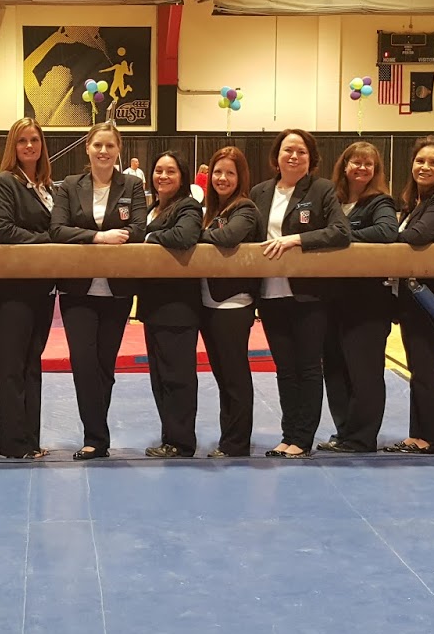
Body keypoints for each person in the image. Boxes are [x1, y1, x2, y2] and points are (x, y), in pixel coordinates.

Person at [249, 128, 350, 458]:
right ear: (277, 156)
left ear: (311, 158)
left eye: (301, 152)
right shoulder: (260, 192)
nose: (293, 156)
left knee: (307, 367)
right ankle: (288, 433)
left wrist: (296, 240)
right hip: (270, 292)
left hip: (308, 294)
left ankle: (302, 439)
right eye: (288, 150)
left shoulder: (321, 189)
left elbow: (340, 232)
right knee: (285, 369)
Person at [50, 121, 146, 460]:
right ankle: (95, 437)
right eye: (97, 145)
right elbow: (57, 229)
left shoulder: (132, 185)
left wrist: (117, 235)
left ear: (119, 150)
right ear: (87, 149)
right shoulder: (70, 185)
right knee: (83, 363)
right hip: (78, 290)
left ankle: (97, 434)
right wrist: (98, 237)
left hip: (117, 290)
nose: (103, 151)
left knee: (105, 365)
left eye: (110, 145)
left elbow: (139, 228)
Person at [319, 142, 400, 454]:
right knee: (335, 369)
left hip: (368, 302)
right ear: (345, 165)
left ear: (376, 170)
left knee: (364, 372)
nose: (362, 168)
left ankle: (362, 437)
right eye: (356, 162)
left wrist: (339, 237)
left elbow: (387, 232)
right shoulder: (334, 199)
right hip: (332, 298)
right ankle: (344, 431)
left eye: (369, 164)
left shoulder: (379, 201)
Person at [383, 136, 434, 455]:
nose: (425, 167)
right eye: (420, 161)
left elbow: (417, 236)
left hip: (432, 298)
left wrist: (388, 236)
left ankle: (430, 436)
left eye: (433, 162)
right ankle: (418, 434)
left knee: (426, 366)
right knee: (418, 366)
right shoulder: (414, 201)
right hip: (412, 298)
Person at [0, 118, 56, 459]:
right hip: (13, 290)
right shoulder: (4, 183)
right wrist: (51, 242)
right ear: (12, 147)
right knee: (13, 366)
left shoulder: (48, 188)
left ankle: (31, 439)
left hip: (43, 288)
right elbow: (4, 230)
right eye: (22, 141)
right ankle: (14, 443)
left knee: (32, 363)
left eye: (34, 140)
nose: (29, 146)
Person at [138, 150, 204, 458]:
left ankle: (181, 441)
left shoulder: (188, 206)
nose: (163, 176)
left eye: (170, 171)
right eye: (158, 170)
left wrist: (148, 238)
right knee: (160, 377)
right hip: (153, 303)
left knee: (178, 376)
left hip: (178, 305)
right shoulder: (152, 208)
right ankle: (170, 436)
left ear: (182, 177)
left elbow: (185, 235)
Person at [198, 147, 262, 457]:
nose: (222, 178)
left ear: (241, 177)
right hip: (210, 302)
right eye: (218, 172)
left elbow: (228, 238)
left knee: (234, 376)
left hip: (233, 304)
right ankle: (230, 437)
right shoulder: (212, 209)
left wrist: (192, 235)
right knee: (223, 376)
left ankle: (236, 443)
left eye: (229, 173)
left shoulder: (245, 208)